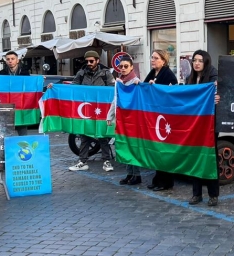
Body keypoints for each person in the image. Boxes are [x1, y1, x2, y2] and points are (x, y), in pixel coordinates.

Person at [68, 50, 116, 173]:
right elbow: (73, 88)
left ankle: (106, 160)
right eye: (87, 61)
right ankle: (82, 161)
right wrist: (56, 87)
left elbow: (113, 89)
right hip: (86, 109)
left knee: (102, 135)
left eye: (91, 61)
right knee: (84, 134)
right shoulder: (81, 74)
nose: (89, 63)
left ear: (97, 61)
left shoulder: (105, 74)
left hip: (101, 109)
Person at [185, 50, 221, 206]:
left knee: (210, 158)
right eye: (194, 60)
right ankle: (196, 193)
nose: (197, 63)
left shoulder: (214, 77)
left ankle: (213, 195)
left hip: (210, 125)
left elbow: (222, 95)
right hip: (194, 126)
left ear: (206, 62)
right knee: (195, 158)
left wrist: (218, 96)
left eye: (200, 60)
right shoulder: (190, 79)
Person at [143, 49, 178, 191]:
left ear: (163, 60)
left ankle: (167, 181)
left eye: (156, 58)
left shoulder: (168, 74)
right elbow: (144, 87)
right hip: (154, 116)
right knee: (156, 150)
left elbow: (172, 93)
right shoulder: (153, 73)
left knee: (164, 150)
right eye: (152, 57)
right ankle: (157, 179)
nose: (152, 60)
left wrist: (157, 88)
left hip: (165, 117)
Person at [108, 55, 142, 185]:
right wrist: (109, 116)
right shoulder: (120, 82)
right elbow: (115, 100)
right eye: (121, 66)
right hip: (122, 120)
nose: (123, 69)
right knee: (124, 145)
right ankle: (129, 173)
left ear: (131, 67)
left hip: (132, 120)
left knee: (132, 146)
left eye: (126, 66)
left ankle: (136, 175)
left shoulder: (135, 81)